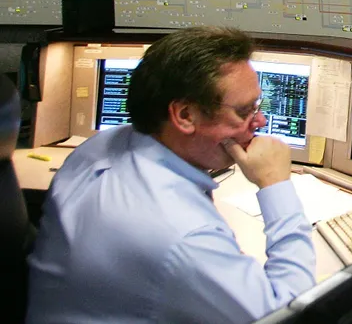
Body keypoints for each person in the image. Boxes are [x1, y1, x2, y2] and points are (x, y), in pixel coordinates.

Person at [26, 26, 315, 323]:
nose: (260, 121)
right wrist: (275, 185)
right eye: (244, 111)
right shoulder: (184, 235)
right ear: (185, 115)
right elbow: (292, 314)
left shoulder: (97, 147)